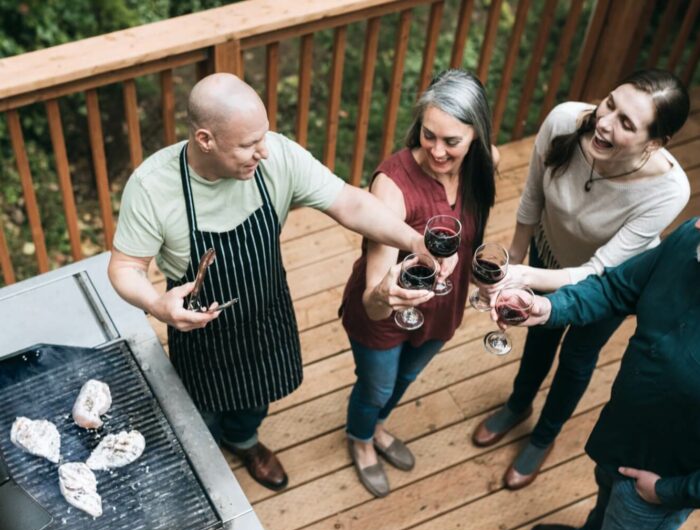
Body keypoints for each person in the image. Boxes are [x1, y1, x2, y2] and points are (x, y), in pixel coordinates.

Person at [108, 73, 452, 493]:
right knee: (201, 415)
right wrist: (159, 306)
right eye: (248, 145)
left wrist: (415, 241)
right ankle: (204, 464)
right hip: (199, 330)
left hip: (266, 309)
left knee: (257, 398)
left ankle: (245, 441)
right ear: (205, 140)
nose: (263, 152)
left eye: (264, 137)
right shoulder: (153, 186)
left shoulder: (276, 158)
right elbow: (125, 267)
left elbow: (351, 202)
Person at [500, 216, 700, 530]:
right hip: (624, 430)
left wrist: (668, 490)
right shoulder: (690, 239)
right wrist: (546, 310)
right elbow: (613, 290)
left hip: (666, 476)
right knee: (606, 496)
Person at [471, 69, 690, 490]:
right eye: (610, 103)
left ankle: (544, 436)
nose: (604, 122)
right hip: (545, 252)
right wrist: (515, 258)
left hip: (610, 284)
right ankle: (518, 405)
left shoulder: (669, 190)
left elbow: (598, 271)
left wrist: (523, 275)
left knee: (576, 358)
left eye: (627, 123)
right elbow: (532, 195)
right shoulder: (564, 121)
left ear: (655, 143)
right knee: (537, 335)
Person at [340, 69, 496, 497]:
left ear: (476, 137)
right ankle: (361, 437)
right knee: (378, 386)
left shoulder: (484, 166)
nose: (437, 152)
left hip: (444, 305)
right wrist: (385, 293)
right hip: (388, 310)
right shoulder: (391, 186)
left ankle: (378, 426)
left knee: (404, 381)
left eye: (452, 141)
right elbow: (374, 298)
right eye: (429, 135)